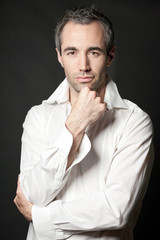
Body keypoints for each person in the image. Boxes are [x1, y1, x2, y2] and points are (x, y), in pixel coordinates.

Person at [14, 6, 154, 240]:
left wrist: (41, 216)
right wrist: (74, 126)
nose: (83, 66)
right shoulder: (38, 117)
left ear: (110, 55)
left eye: (94, 52)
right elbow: (34, 195)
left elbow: (116, 210)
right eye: (71, 52)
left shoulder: (135, 121)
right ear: (59, 56)